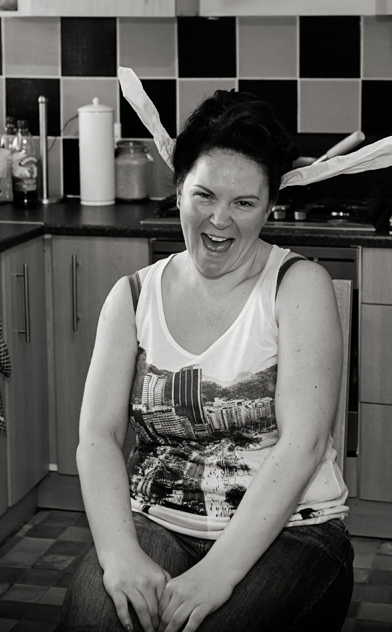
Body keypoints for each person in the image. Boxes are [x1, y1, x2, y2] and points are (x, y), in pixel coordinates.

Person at [60, 92, 353, 632]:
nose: (220, 220)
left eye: (244, 202)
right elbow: (98, 435)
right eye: (204, 195)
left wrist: (219, 570)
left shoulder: (298, 286)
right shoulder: (131, 297)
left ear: (269, 206)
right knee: (95, 619)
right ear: (177, 192)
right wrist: (120, 555)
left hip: (294, 529)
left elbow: (304, 443)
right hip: (156, 520)